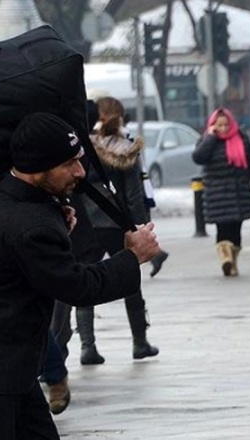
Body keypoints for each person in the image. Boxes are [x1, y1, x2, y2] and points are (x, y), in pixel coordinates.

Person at [0, 112, 161, 440]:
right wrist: (131, 257)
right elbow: (77, 286)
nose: (79, 172)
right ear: (37, 168)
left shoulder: (0, 197)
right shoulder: (29, 224)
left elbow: (17, 250)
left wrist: (56, 222)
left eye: (78, 160)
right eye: (68, 164)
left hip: (6, 366)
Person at [74, 97, 160, 364]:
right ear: (121, 117)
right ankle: (140, 342)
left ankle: (87, 347)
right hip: (116, 224)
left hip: (87, 224)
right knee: (129, 280)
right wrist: (138, 226)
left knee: (82, 283)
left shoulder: (83, 148)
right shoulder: (127, 149)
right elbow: (134, 194)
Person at [192, 108, 250, 276]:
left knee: (236, 230)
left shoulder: (241, 138)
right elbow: (198, 157)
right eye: (219, 125)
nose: (224, 128)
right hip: (217, 194)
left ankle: (232, 260)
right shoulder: (207, 139)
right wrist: (211, 137)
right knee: (222, 229)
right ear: (213, 125)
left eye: (226, 124)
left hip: (238, 193)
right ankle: (226, 259)